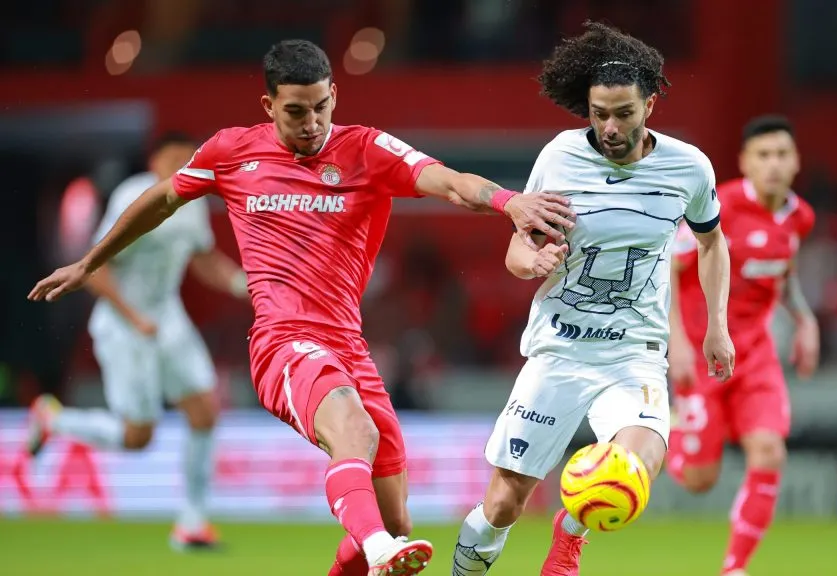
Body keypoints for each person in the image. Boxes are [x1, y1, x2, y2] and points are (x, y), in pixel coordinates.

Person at [28, 39, 574, 576]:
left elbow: (452, 183)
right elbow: (162, 198)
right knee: (356, 437)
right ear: (269, 105)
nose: (312, 122)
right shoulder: (231, 152)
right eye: (296, 111)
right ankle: (377, 549)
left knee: (395, 519)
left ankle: (377, 543)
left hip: (349, 347)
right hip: (283, 342)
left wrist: (508, 201)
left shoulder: (367, 150)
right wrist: (91, 263)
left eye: (321, 106)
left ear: (334, 95)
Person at [451, 21, 735, 576]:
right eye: (598, 113)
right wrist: (530, 263)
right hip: (559, 350)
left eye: (623, 113)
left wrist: (716, 325)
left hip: (634, 354)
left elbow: (711, 242)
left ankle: (571, 533)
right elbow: (518, 247)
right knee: (504, 504)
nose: (609, 127)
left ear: (649, 105)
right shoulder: (559, 157)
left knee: (636, 467)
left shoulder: (689, 167)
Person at [25, 131, 248, 550]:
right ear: (154, 162)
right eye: (175, 158)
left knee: (204, 412)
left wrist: (242, 284)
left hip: (168, 319)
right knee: (137, 438)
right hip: (124, 324)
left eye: (189, 158)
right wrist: (134, 318)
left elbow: (203, 258)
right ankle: (53, 419)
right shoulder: (134, 196)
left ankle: (193, 523)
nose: (183, 165)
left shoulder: (193, 201)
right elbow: (95, 266)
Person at [665, 115, 818, 576]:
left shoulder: (800, 217)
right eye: (763, 155)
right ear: (745, 163)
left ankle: (734, 569)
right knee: (698, 480)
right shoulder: (717, 207)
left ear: (797, 161)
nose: (773, 164)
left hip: (755, 354)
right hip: (702, 352)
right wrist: (676, 342)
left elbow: (783, 274)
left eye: (782, 154)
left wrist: (805, 319)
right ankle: (669, 427)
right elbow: (669, 266)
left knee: (770, 451)